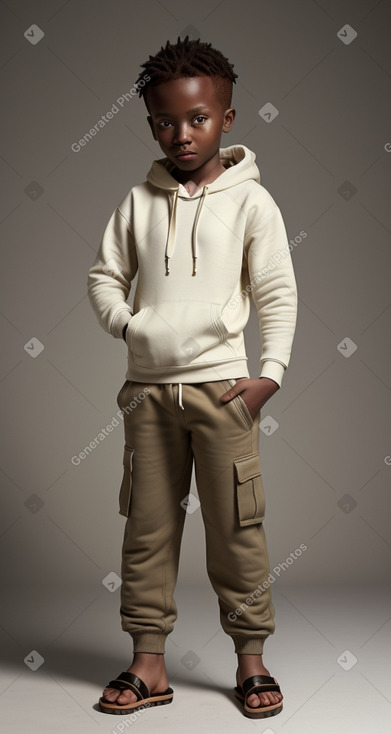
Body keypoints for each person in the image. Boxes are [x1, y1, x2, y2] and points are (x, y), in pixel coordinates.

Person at [87, 35, 297, 720]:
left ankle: (251, 662)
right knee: (146, 528)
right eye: (166, 121)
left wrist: (269, 374)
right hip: (149, 394)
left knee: (238, 528)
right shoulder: (136, 202)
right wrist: (128, 327)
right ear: (151, 122)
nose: (182, 134)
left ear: (226, 118)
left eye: (198, 118)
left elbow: (276, 293)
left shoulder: (251, 204)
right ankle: (149, 665)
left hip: (223, 393)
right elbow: (103, 276)